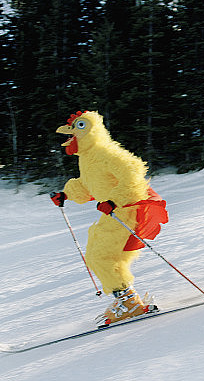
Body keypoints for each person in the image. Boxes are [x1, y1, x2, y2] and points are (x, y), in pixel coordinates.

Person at [50, 110, 168, 325]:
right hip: (112, 212)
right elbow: (88, 185)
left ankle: (129, 303)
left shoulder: (104, 152)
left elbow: (133, 171)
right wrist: (66, 195)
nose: (70, 133)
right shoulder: (88, 158)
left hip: (125, 210)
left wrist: (115, 200)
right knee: (98, 257)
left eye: (78, 127)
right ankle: (128, 299)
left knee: (101, 257)